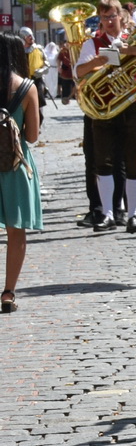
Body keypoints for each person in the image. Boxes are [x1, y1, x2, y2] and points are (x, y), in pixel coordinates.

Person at [76, 0, 136, 232]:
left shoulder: (133, 39)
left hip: (133, 106)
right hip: (104, 108)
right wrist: (99, 61)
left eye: (112, 16)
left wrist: (129, 50)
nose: (108, 21)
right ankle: (107, 214)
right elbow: (79, 71)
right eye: (104, 17)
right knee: (103, 162)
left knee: (134, 161)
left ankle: (133, 214)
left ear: (120, 16)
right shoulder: (92, 43)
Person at [1, 33, 43, 314]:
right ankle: (8, 292)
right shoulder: (27, 88)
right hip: (15, 166)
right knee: (16, 232)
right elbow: (32, 136)